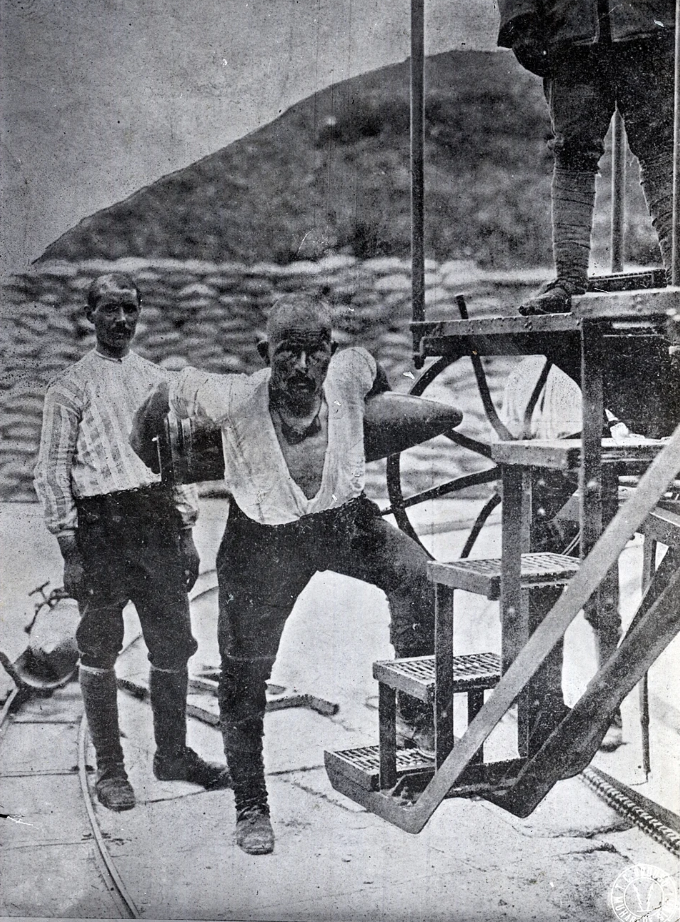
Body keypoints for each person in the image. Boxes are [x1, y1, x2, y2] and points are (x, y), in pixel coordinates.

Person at [159, 293, 435, 855]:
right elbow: (166, 392)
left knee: (419, 575)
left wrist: (370, 422)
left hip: (342, 522)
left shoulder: (347, 374)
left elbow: (371, 375)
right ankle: (251, 804)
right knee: (243, 675)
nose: (303, 367)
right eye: (288, 352)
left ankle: (413, 714)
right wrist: (158, 464)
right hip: (262, 541)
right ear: (266, 352)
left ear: (329, 351)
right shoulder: (234, 396)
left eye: (315, 353)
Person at [34, 273, 231, 812]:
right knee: (99, 645)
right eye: (110, 309)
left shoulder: (156, 382)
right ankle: (111, 769)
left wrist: (186, 532)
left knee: (173, 643)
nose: (121, 320)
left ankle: (173, 756)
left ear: (139, 314)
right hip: (101, 529)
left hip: (156, 524)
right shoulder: (69, 388)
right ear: (90, 315)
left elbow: (178, 464)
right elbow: (52, 472)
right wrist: (70, 549)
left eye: (130, 309)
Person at [496, 0, 675, 314]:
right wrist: (520, 23)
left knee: (662, 151)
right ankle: (569, 281)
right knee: (573, 155)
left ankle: (679, 271)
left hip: (647, 29)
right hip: (570, 35)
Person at [500, 355, 625, 750]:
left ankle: (552, 710)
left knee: (548, 605)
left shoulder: (523, 371)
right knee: (595, 605)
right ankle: (598, 713)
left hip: (547, 489)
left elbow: (510, 435)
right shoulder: (584, 370)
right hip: (575, 488)